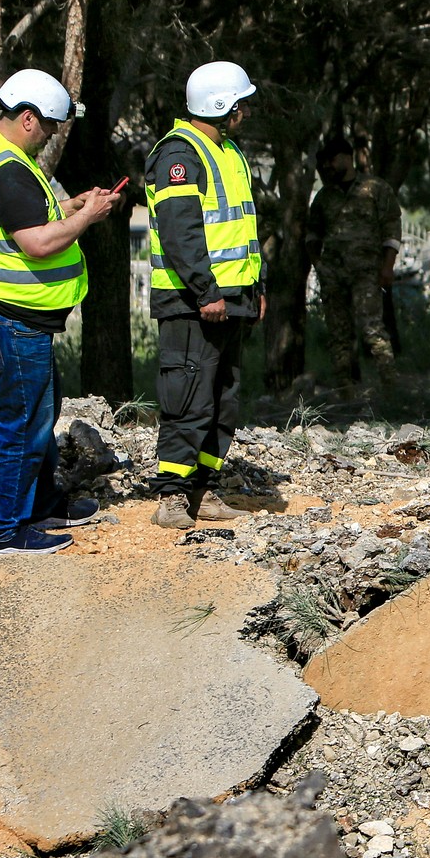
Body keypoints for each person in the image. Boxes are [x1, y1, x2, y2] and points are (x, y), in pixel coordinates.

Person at [0, 69, 120, 556]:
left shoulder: (2, 157)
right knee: (22, 422)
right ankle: (5, 532)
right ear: (28, 118)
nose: (51, 135)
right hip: (4, 318)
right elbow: (38, 243)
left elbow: (26, 216)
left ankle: (41, 505)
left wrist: (71, 204)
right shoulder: (5, 169)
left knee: (39, 413)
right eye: (50, 125)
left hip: (11, 317)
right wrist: (86, 218)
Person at [145, 61, 263, 528]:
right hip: (193, 302)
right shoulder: (180, 154)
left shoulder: (228, 152)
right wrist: (205, 291)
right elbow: (181, 233)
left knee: (222, 398)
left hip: (231, 298)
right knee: (187, 397)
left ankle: (202, 489)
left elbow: (243, 228)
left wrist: (255, 288)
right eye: (239, 104)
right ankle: (172, 497)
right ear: (221, 105)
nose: (244, 112)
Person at [305, 134, 404, 389]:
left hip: (366, 273)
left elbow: (392, 228)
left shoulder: (375, 188)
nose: (328, 166)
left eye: (332, 160)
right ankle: (345, 390)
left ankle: (391, 386)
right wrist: (319, 264)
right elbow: (313, 233)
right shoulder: (324, 197)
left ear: (347, 158)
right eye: (325, 162)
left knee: (372, 329)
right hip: (333, 275)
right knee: (338, 334)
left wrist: (387, 266)